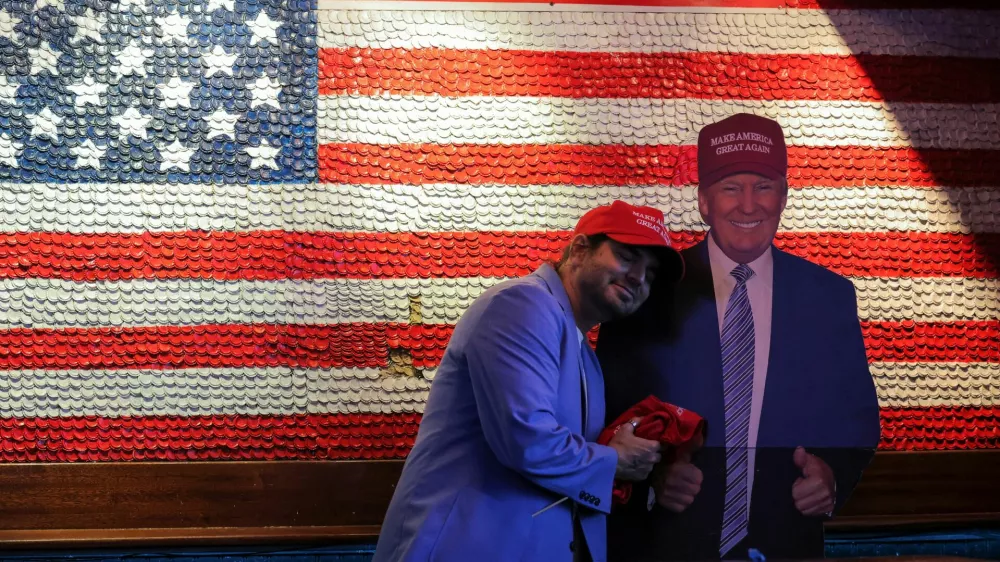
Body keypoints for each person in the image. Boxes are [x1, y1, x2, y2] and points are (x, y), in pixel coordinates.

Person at [596, 113, 882, 561]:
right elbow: (605, 414)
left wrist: (831, 474)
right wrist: (650, 478)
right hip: (666, 545)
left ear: (784, 197)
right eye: (731, 187)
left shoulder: (829, 296)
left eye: (764, 186)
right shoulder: (649, 289)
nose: (749, 205)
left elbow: (858, 418)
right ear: (704, 202)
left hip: (786, 544)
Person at [373, 201, 687, 562]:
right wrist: (613, 460)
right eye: (627, 256)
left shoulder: (582, 349)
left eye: (650, 274)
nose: (638, 277)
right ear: (580, 251)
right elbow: (526, 438)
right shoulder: (523, 304)